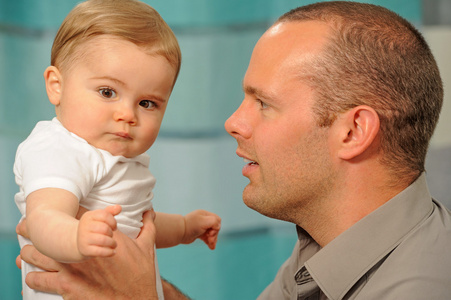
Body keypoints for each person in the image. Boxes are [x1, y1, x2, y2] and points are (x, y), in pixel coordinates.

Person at [17, 1, 451, 299]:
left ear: (354, 131)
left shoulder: (420, 286)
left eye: (263, 103)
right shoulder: (325, 247)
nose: (233, 123)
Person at [14, 0, 220, 299]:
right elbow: (43, 217)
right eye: (107, 92)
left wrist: (185, 227)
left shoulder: (124, 161)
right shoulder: (58, 148)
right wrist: (75, 237)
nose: (128, 114)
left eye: (146, 103)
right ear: (56, 85)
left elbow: (139, 226)